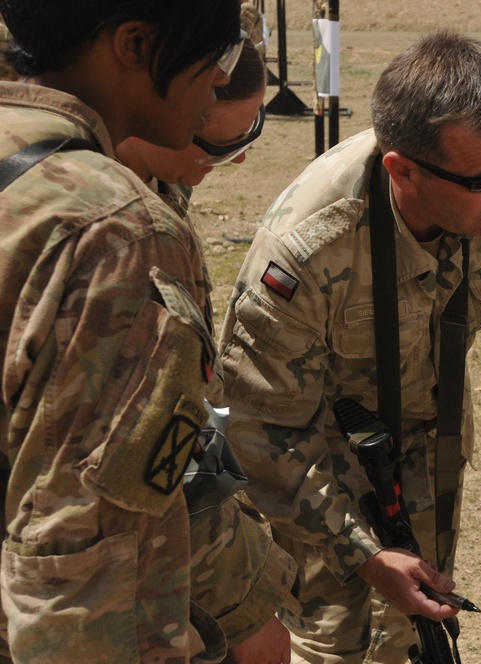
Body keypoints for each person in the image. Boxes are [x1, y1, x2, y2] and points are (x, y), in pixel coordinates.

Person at [215, 30, 481, 663]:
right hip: (312, 461)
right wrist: (363, 552)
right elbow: (264, 429)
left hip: (427, 434)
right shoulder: (309, 249)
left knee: (417, 628)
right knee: (333, 641)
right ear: (402, 171)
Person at [0, 1, 292, 662]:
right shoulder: (116, 229)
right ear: (133, 44)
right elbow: (86, 574)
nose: (220, 83)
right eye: (217, 58)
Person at [116, 35, 268, 216]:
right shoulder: (106, 214)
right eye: (220, 145)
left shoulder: (168, 183)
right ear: (144, 118)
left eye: (245, 135)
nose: (238, 159)